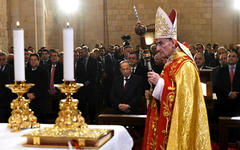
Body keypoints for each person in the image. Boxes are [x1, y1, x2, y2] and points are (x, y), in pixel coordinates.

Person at [142, 7, 211, 150]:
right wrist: (153, 90)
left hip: (180, 127)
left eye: (161, 43)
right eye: (157, 44)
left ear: (173, 42)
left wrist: (159, 83)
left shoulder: (185, 65)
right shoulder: (171, 62)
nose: (158, 48)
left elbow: (185, 103)